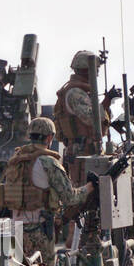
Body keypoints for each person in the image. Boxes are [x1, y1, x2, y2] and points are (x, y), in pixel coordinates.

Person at [0, 117, 96, 266]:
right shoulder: (48, 162)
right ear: (50, 138)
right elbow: (70, 198)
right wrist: (90, 187)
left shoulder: (16, 160)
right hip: (39, 232)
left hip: (16, 230)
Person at [53, 50, 115, 182]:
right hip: (81, 151)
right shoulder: (75, 92)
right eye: (95, 68)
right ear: (85, 70)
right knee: (85, 192)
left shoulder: (82, 91)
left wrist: (107, 103)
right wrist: (106, 101)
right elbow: (91, 119)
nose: (97, 73)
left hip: (88, 150)